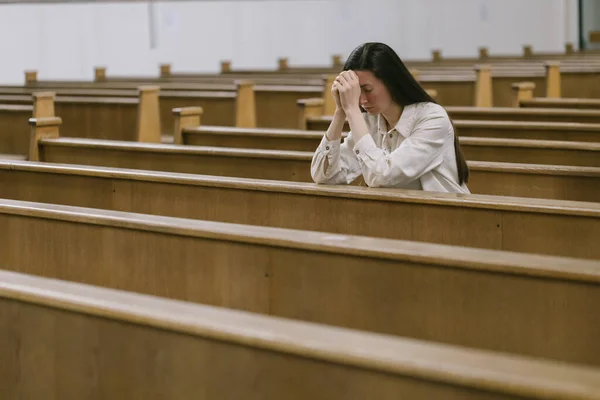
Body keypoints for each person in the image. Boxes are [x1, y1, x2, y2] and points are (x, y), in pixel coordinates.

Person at [310, 42, 470, 193]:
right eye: (356, 92)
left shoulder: (433, 119)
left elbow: (381, 176)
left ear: (391, 82)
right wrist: (340, 111)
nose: (361, 100)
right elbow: (324, 177)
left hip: (447, 217)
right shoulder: (371, 121)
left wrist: (352, 111)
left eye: (367, 89)